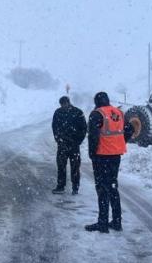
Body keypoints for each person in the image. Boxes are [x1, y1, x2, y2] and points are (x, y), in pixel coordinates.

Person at [85, 91, 130, 233]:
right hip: (116, 155)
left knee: (102, 189)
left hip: (102, 156)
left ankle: (102, 223)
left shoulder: (97, 114)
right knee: (112, 187)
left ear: (96, 101)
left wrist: (92, 154)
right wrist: (120, 142)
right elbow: (130, 129)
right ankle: (117, 222)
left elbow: (93, 136)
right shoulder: (118, 113)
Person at [51, 96, 86, 195]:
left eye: (64, 104)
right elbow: (54, 127)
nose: (63, 106)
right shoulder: (59, 112)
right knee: (64, 166)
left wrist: (77, 141)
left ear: (68, 102)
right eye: (62, 104)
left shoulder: (76, 112)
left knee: (72, 167)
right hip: (65, 145)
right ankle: (65, 187)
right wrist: (58, 139)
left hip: (71, 145)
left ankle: (72, 187)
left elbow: (83, 128)